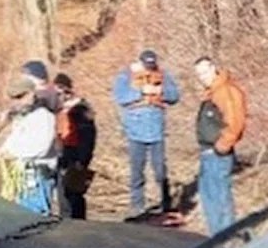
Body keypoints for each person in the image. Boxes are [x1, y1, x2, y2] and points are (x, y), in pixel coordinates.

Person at [112, 49, 181, 217]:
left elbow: (175, 96)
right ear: (140, 62)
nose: (149, 67)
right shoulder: (125, 76)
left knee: (160, 171)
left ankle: (166, 203)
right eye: (146, 64)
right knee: (137, 171)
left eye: (152, 64)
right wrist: (142, 91)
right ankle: (137, 206)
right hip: (134, 131)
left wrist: (161, 92)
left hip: (157, 131)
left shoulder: (163, 75)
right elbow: (121, 97)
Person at [193, 56, 247, 235]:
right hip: (208, 153)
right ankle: (216, 240)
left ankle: (226, 239)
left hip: (218, 154)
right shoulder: (212, 93)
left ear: (213, 68)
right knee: (210, 199)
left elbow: (235, 122)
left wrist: (223, 145)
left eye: (205, 71)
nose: (203, 76)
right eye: (199, 74)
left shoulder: (225, 91)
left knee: (220, 200)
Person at [0, 75, 58, 215]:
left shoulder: (44, 116)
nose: (16, 102)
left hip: (37, 176)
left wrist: (13, 153)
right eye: (13, 98)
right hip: (21, 177)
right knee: (18, 215)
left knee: (34, 217)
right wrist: (4, 150)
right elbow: (14, 140)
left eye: (20, 97)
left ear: (31, 94)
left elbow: (42, 147)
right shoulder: (23, 116)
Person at [53, 73, 97, 219]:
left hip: (75, 155)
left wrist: (82, 160)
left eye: (60, 92)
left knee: (73, 193)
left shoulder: (81, 110)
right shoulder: (60, 109)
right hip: (63, 154)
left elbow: (88, 138)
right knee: (63, 193)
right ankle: (67, 219)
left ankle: (76, 222)